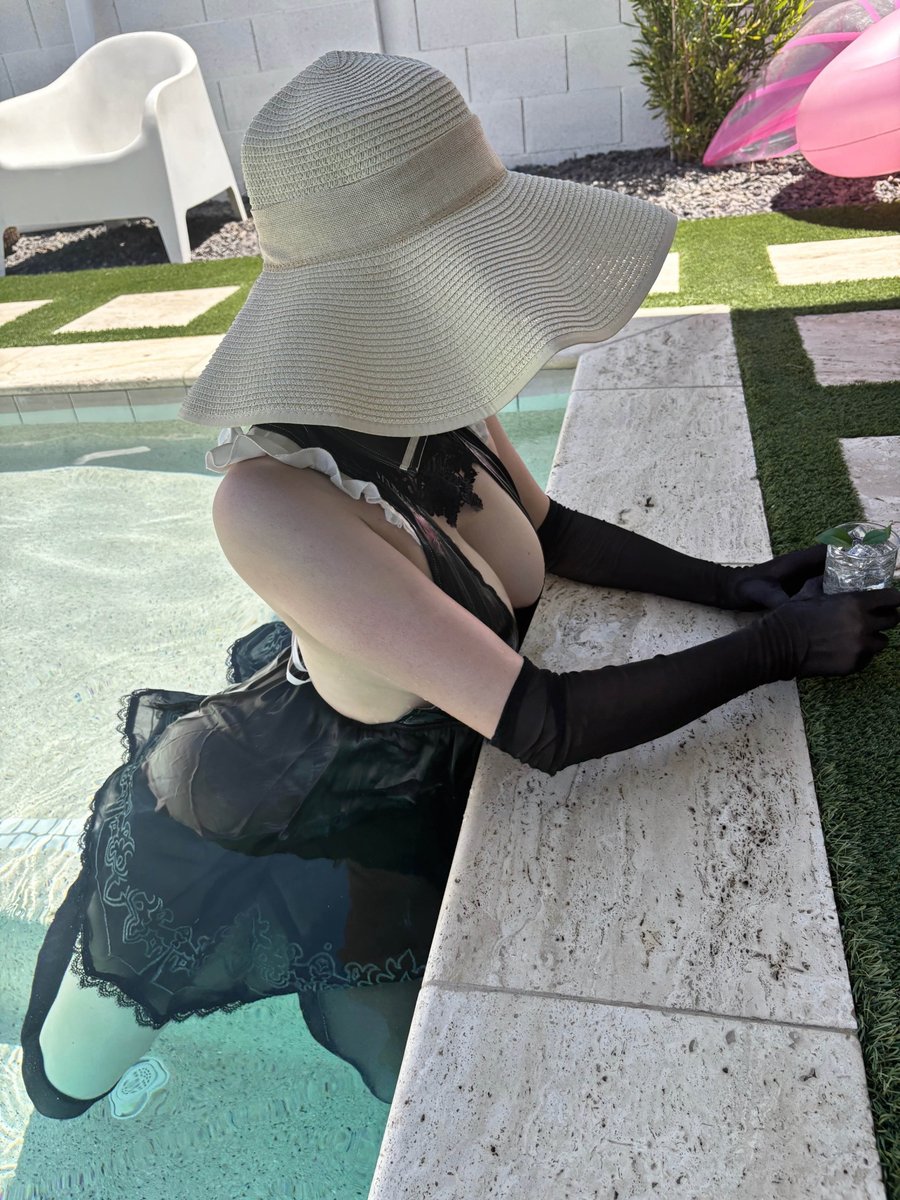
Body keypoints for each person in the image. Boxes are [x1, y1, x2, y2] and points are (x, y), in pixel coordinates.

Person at [20, 50, 899, 1122]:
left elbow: (550, 530)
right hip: (250, 812)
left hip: (402, 804)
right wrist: (783, 646)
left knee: (413, 1070)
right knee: (62, 1086)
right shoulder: (271, 500)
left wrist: (741, 585)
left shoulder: (427, 382)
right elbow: (542, 722)